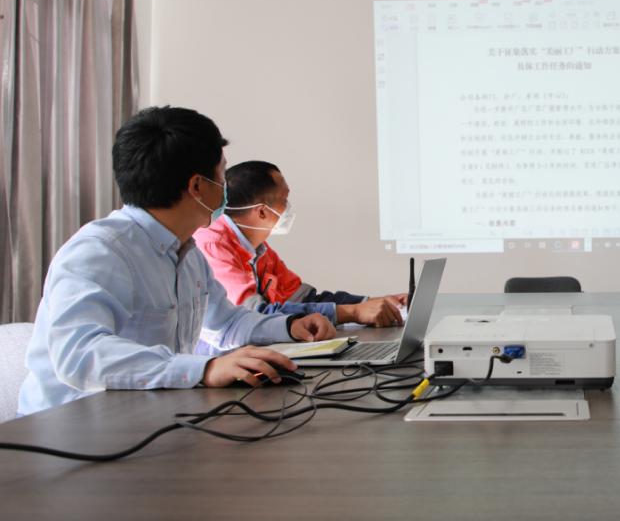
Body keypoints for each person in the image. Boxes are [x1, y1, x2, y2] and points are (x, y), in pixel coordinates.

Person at [18, 107, 336, 416]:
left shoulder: (188, 254)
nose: (226, 188)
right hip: (70, 431)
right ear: (198, 186)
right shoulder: (99, 251)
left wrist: (290, 327)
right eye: (222, 175)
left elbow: (227, 324)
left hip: (147, 417)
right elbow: (79, 355)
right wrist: (204, 369)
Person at [193, 161, 406, 328]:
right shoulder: (213, 246)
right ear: (262, 212)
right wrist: (353, 312)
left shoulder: (258, 249)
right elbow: (254, 314)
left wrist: (375, 302)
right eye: (284, 200)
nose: (288, 207)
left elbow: (303, 298)